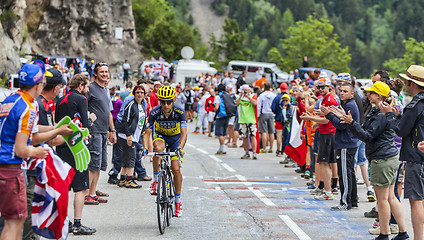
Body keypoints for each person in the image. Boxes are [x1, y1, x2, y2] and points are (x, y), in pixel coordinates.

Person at [341, 81, 409, 240]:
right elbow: (366, 131)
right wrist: (352, 123)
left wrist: (351, 124)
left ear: (378, 96)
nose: (367, 94)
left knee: (383, 199)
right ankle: (402, 232)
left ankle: (384, 234)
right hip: (389, 157)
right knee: (391, 197)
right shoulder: (380, 111)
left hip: (382, 159)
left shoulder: (380, 114)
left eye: (371, 92)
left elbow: (367, 136)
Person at [0, 61, 50, 239]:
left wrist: (56, 129)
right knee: (14, 223)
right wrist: (36, 152)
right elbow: (21, 149)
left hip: (3, 166)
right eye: (42, 82)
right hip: (11, 169)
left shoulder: (9, 99)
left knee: (9, 222)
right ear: (37, 85)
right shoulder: (28, 106)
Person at [55, 73, 97, 235]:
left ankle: (65, 221)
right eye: (86, 86)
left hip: (61, 146)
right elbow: (85, 127)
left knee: (64, 187)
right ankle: (77, 225)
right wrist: (91, 118)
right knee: (81, 188)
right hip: (76, 147)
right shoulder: (81, 99)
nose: (87, 90)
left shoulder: (61, 99)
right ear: (80, 86)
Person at [391, 65, 424, 240]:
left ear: (412, 83)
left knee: (415, 200)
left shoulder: (415, 104)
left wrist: (392, 116)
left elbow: (401, 131)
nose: (405, 83)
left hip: (415, 157)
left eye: (407, 81)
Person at [145, 85, 187, 217]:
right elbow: (147, 133)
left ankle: (178, 201)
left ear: (174, 100)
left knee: (176, 169)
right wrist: (145, 148)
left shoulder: (179, 112)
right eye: (163, 101)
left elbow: (184, 133)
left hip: (175, 139)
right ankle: (156, 179)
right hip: (161, 136)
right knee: (158, 149)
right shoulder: (155, 112)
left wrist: (180, 148)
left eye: (169, 101)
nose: (166, 105)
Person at [322, 82, 360, 210]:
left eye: (345, 91)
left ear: (352, 93)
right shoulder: (346, 104)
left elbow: (341, 125)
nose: (342, 93)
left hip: (346, 143)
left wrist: (330, 115)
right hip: (349, 142)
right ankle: (353, 200)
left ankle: (345, 202)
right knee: (349, 172)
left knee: (344, 173)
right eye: (341, 91)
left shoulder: (349, 106)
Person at [301, 78, 339, 201]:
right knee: (323, 162)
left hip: (328, 134)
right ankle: (327, 189)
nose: (321, 89)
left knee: (323, 162)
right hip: (326, 132)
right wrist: (317, 121)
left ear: (329, 87)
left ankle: (328, 191)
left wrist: (311, 118)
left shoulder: (329, 100)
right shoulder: (324, 100)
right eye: (319, 87)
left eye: (323, 87)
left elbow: (327, 120)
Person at [86, 62, 117, 204]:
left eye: (106, 71)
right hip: (94, 131)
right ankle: (87, 193)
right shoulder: (90, 88)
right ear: (96, 74)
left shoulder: (105, 89)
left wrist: (112, 130)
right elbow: (82, 106)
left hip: (104, 132)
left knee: (99, 164)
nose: (104, 74)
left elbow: (109, 113)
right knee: (93, 163)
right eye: (102, 72)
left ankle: (93, 192)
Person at [116, 85, 147, 188]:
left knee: (126, 158)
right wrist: (128, 135)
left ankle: (123, 178)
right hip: (128, 135)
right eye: (137, 92)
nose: (139, 94)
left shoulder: (142, 105)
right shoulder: (131, 105)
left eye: (142, 93)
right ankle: (130, 179)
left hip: (135, 135)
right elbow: (125, 120)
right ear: (134, 93)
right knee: (131, 158)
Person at [214, 84, 237, 155]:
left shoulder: (218, 96)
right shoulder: (228, 95)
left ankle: (222, 148)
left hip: (220, 116)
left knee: (219, 133)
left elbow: (217, 107)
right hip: (227, 116)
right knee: (224, 133)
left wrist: (214, 110)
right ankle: (221, 148)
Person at [237, 85, 258, 160]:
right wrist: (241, 96)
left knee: (253, 136)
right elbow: (236, 104)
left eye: (246, 90)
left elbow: (255, 103)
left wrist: (248, 97)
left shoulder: (253, 96)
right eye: (244, 90)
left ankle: (254, 152)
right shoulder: (240, 97)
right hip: (243, 120)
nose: (245, 92)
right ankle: (246, 152)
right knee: (244, 137)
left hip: (251, 120)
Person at [257, 83, 276, 153]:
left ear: (264, 87)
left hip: (264, 113)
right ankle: (271, 148)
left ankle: (264, 148)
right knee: (271, 132)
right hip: (271, 113)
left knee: (263, 131)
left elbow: (259, 106)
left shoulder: (261, 96)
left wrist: (258, 115)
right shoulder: (273, 95)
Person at [271, 82, 289, 157]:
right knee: (287, 135)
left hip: (278, 118)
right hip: (287, 119)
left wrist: (277, 112)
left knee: (279, 134)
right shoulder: (289, 97)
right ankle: (284, 150)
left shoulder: (277, 97)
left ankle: (278, 150)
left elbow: (273, 108)